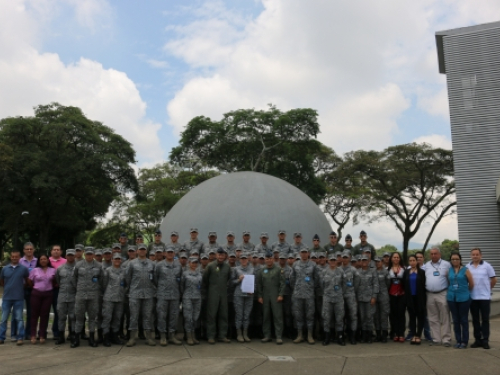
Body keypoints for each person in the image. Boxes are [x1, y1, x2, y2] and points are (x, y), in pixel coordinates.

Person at [126, 243, 156, 347]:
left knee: (147, 316)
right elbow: (128, 278)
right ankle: (132, 338)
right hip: (135, 293)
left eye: (144, 249)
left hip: (148, 294)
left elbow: (154, 279)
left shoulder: (152, 264)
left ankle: (148, 338)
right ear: (137, 251)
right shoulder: (132, 264)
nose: (142, 251)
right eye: (140, 249)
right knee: (134, 316)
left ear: (146, 251)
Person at [467, 247, 497, 349]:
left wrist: (488, 289)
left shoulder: (487, 266)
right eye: (473, 254)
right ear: (471, 256)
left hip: (484, 297)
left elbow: (493, 279)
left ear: (481, 255)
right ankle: (477, 340)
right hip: (473, 297)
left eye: (477, 254)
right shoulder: (467, 267)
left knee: (485, 320)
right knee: (475, 320)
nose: (475, 256)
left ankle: (485, 340)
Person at [73, 247, 103, 348]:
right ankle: (76, 339)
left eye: (91, 254)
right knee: (79, 317)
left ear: (94, 255)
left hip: (93, 295)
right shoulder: (78, 265)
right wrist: (79, 288)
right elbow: (74, 279)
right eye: (88, 254)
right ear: (84, 254)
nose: (89, 256)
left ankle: (91, 338)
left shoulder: (99, 266)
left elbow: (102, 280)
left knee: (92, 318)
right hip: (81, 294)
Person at [202, 248, 232, 344]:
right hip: (212, 294)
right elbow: (205, 280)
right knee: (211, 315)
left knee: (223, 315)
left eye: (222, 255)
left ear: (225, 256)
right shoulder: (210, 266)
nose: (221, 256)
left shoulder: (227, 267)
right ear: (216, 255)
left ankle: (222, 336)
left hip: (223, 294)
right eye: (219, 255)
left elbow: (228, 279)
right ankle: (211, 336)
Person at [0, 250, 29, 345]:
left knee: (19, 318)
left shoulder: (23, 269)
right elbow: (2, 282)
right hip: (7, 298)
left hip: (19, 298)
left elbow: (26, 280)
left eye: (16, 256)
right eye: (13, 256)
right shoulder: (5, 269)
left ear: (19, 257)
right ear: (10, 257)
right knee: (4, 319)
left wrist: (19, 288)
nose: (14, 258)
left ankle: (20, 337)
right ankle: (1, 337)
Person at [290, 248, 319, 344]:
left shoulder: (313, 265)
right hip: (297, 295)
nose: (304, 254)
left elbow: (316, 279)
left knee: (310, 315)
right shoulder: (295, 265)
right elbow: (292, 279)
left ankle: (309, 335)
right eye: (302, 252)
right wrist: (297, 287)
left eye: (305, 252)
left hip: (309, 294)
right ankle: (300, 335)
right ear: (299, 253)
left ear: (308, 254)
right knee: (298, 315)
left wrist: (310, 287)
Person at [424, 247, 452, 347]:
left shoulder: (446, 264)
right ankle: (436, 339)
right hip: (430, 294)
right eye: (431, 254)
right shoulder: (426, 265)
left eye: (435, 253)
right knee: (432, 318)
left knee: (445, 317)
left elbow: (451, 278)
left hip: (442, 293)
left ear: (439, 254)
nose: (433, 255)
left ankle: (446, 339)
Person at [155, 246, 182, 346]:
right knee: (162, 315)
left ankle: (172, 336)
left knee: (174, 316)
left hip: (174, 295)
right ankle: (162, 336)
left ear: (174, 253)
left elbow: (180, 279)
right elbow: (155, 279)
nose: (170, 254)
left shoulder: (178, 265)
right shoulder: (159, 265)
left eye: (172, 252)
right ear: (164, 254)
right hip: (162, 294)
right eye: (168, 252)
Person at [447, 252, 474, 349]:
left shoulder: (466, 270)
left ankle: (464, 341)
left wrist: (465, 291)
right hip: (452, 298)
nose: (455, 261)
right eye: (453, 259)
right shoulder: (449, 270)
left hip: (463, 298)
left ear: (460, 260)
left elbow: (471, 284)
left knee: (463, 320)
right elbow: (448, 282)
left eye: (457, 259)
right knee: (455, 320)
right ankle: (458, 340)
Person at [28, 254, 56, 344]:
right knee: (34, 315)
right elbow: (29, 280)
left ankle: (42, 335)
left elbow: (55, 281)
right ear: (39, 261)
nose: (43, 260)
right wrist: (34, 287)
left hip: (48, 294)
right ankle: (33, 335)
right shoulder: (35, 270)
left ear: (48, 260)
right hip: (36, 294)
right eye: (41, 259)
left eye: (45, 259)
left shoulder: (53, 270)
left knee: (45, 315)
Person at [258, 252, 285, 344]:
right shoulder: (262, 270)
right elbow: (259, 284)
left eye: (270, 259)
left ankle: (278, 336)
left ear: (273, 259)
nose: (268, 260)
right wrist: (260, 296)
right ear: (265, 260)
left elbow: (282, 283)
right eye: (267, 259)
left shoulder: (278, 270)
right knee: (266, 316)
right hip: (265, 296)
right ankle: (267, 335)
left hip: (275, 295)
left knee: (277, 316)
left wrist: (281, 294)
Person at [102, 253, 126, 347]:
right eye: (115, 259)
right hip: (109, 297)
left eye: (118, 259)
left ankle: (115, 336)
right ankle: (106, 337)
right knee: (107, 317)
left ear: (121, 260)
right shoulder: (107, 271)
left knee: (117, 317)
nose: (117, 260)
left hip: (120, 297)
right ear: (112, 260)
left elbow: (126, 283)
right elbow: (104, 284)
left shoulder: (124, 271)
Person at [321, 253, 346, 346]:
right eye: (331, 260)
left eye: (334, 260)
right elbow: (321, 284)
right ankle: (327, 337)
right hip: (327, 298)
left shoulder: (341, 271)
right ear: (328, 261)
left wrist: (339, 293)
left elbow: (344, 284)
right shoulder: (324, 271)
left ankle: (340, 337)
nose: (332, 262)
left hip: (338, 298)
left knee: (339, 318)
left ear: (336, 261)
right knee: (326, 318)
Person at [403, 255, 426, 345]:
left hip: (419, 298)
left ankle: (418, 335)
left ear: (417, 261)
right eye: (410, 260)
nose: (412, 262)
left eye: (414, 260)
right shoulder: (406, 272)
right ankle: (413, 335)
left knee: (420, 317)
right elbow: (404, 284)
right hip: (410, 298)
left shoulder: (422, 272)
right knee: (412, 317)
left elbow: (424, 285)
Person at [55, 249, 77, 345]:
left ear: (75, 256)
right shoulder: (60, 268)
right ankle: (61, 336)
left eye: (72, 255)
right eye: (69, 255)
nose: (70, 257)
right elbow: (58, 280)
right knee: (61, 317)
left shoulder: (78, 268)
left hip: (74, 296)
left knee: (73, 317)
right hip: (62, 295)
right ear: (66, 256)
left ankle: (72, 335)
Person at [232, 252, 254, 342]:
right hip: (239, 294)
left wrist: (253, 290)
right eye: (242, 259)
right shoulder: (235, 269)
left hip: (249, 295)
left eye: (245, 259)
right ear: (239, 260)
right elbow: (231, 282)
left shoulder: (252, 269)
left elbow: (255, 282)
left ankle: (245, 333)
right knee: (239, 315)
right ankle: (239, 334)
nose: (244, 260)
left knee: (247, 315)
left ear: (248, 259)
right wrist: (238, 280)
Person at [357, 254, 379, 343]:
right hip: (360, 298)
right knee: (362, 317)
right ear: (360, 262)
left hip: (370, 298)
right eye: (362, 260)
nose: (364, 262)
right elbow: (356, 285)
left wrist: (374, 296)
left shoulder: (373, 271)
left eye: (366, 260)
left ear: (368, 261)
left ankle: (370, 336)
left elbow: (376, 284)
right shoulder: (357, 272)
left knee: (369, 317)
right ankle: (364, 336)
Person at [181, 257, 203, 345]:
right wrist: (185, 294)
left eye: (196, 263)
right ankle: (189, 336)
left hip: (197, 297)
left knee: (195, 318)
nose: (194, 264)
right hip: (187, 297)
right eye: (192, 262)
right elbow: (181, 286)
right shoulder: (185, 273)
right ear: (189, 263)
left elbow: (201, 285)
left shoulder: (199, 273)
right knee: (188, 318)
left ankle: (193, 335)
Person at [341, 251, 360, 345]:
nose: (344, 259)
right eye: (343, 257)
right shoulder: (338, 269)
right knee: (341, 316)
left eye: (346, 257)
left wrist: (353, 291)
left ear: (349, 258)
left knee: (352, 316)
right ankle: (342, 335)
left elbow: (357, 282)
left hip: (350, 295)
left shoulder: (353, 270)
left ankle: (352, 336)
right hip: (340, 296)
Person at [19, 242, 37, 340]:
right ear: (24, 250)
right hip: (21, 288)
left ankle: (29, 333)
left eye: (31, 249)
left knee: (31, 312)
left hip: (33, 289)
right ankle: (18, 333)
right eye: (27, 249)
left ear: (33, 250)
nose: (29, 250)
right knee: (18, 312)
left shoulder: (37, 261)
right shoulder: (20, 261)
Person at [49, 245, 66, 341]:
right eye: (54, 249)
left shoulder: (65, 262)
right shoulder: (46, 261)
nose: (56, 251)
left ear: (61, 252)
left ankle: (56, 332)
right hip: (47, 289)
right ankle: (42, 333)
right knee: (44, 312)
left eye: (58, 250)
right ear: (51, 251)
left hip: (59, 290)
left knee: (57, 311)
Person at [387, 252, 406, 342]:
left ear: (400, 259)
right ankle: (394, 332)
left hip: (401, 295)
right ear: (391, 259)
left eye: (397, 257)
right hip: (391, 295)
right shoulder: (387, 269)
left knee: (401, 314)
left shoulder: (404, 269)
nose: (396, 259)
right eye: (394, 257)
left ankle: (401, 333)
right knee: (393, 314)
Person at [374, 257, 390, 343]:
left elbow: (388, 284)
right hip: (375, 296)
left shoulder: (385, 272)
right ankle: (378, 334)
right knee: (376, 316)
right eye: (376, 262)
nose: (377, 263)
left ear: (382, 262)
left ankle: (384, 334)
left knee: (384, 315)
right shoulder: (373, 271)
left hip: (383, 295)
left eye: (379, 262)